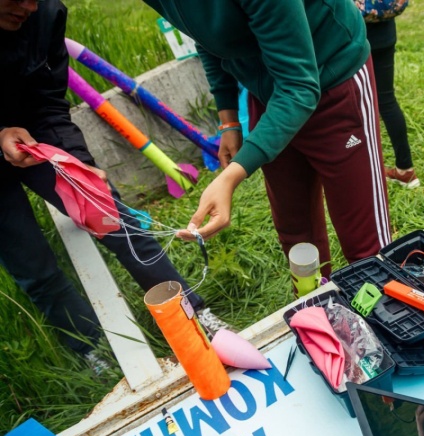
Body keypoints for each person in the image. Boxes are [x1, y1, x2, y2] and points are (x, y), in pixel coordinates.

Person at [0, 0, 224, 370]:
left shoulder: (46, 14)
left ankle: (192, 316)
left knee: (117, 221)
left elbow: (49, 103)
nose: (28, 6)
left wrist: (80, 165)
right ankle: (95, 353)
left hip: (36, 135)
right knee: (32, 264)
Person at [142, 0, 394, 278]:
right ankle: (315, 301)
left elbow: (298, 87)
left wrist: (230, 178)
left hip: (333, 78)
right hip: (269, 95)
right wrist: (228, 120)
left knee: (366, 245)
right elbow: (205, 36)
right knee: (296, 234)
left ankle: (380, 299)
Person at [366, 17, 419, 189]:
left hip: (354, 38)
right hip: (385, 33)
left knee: (356, 103)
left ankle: (363, 170)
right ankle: (405, 169)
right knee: (387, 101)